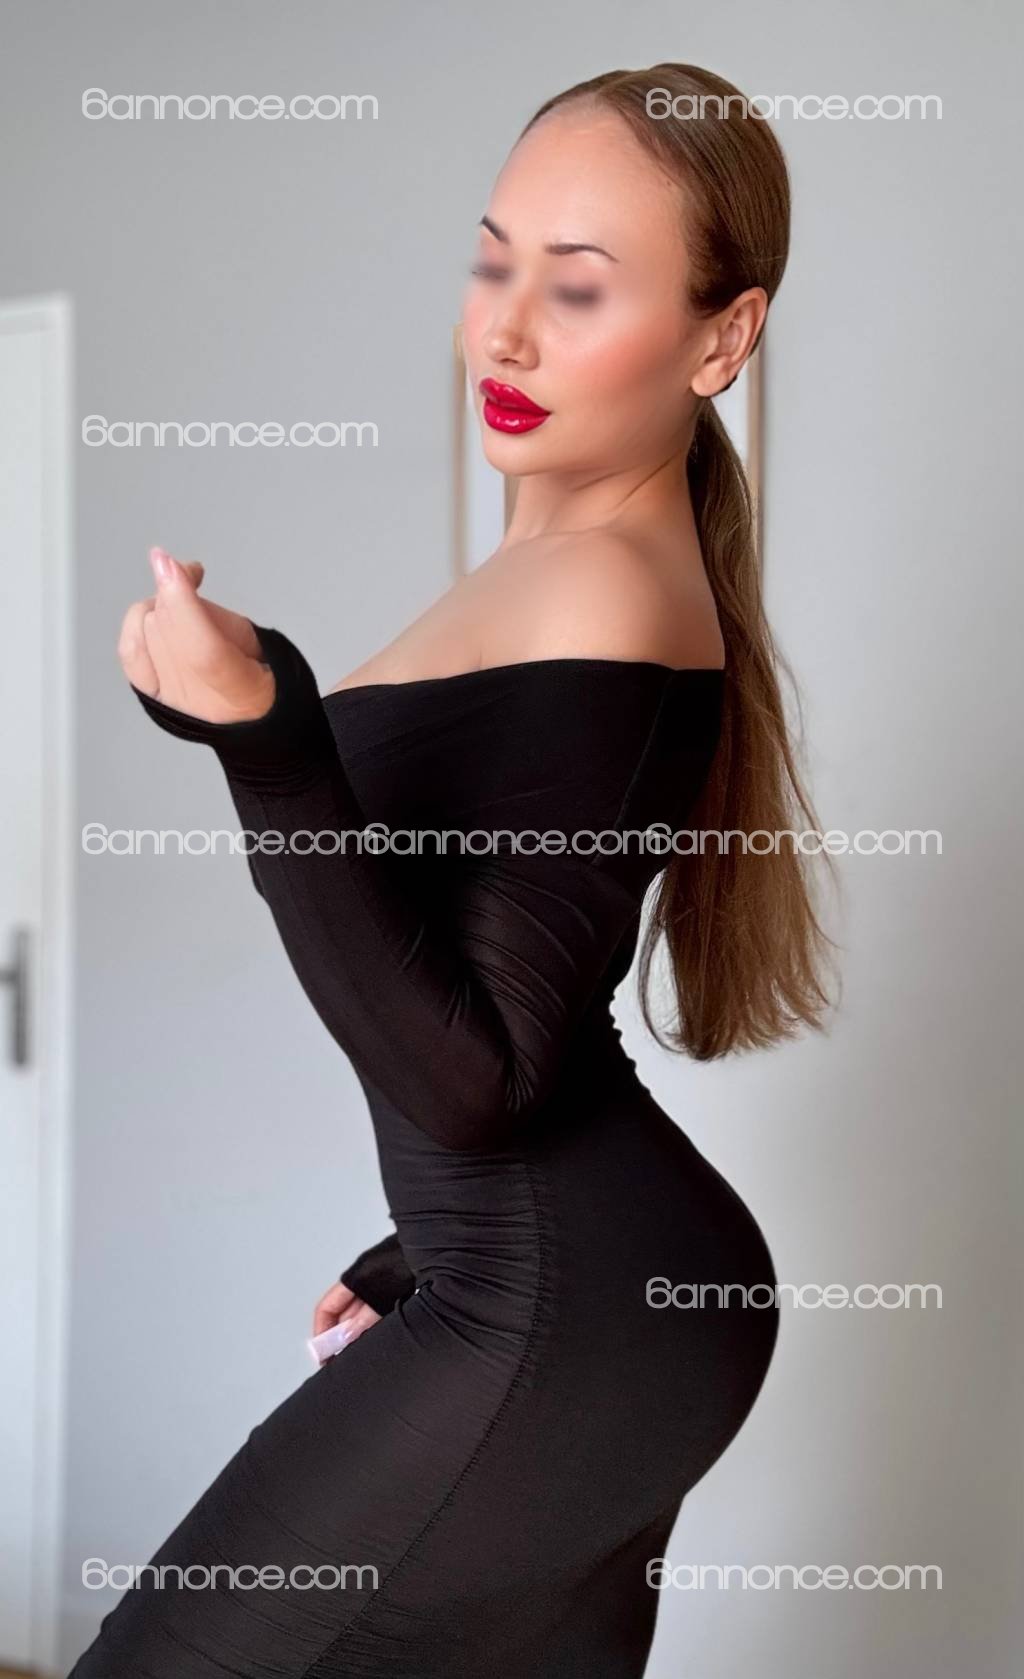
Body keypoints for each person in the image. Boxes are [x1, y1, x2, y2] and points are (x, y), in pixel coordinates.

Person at [71, 61, 833, 1679]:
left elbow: (476, 1087)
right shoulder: (560, 565)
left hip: (559, 1305)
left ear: (721, 339)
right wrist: (416, 1247)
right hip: (577, 1288)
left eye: (580, 287)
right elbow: (510, 1016)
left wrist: (270, 742)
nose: (504, 332)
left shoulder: (611, 587)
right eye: (494, 263)